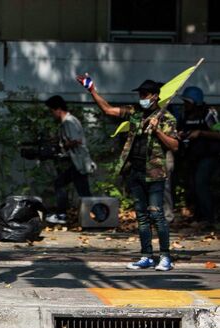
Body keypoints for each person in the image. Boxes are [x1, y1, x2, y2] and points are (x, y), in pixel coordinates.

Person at [77, 74, 179, 271]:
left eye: (145, 94)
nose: (142, 97)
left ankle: (165, 256)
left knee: (157, 215)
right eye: (140, 94)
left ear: (155, 96)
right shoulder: (135, 113)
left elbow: (174, 145)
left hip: (155, 174)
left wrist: (157, 131)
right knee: (141, 216)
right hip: (136, 172)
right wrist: (91, 90)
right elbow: (107, 109)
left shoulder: (166, 118)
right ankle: (146, 256)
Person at [44, 95, 96, 225]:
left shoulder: (69, 122)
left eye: (52, 111)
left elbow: (76, 140)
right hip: (76, 163)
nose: (52, 114)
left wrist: (61, 146)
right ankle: (99, 216)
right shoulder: (68, 121)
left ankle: (63, 215)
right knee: (68, 186)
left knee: (82, 192)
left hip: (78, 163)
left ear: (58, 109)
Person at [173, 86, 220, 226]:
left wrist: (200, 133)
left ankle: (209, 218)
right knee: (192, 186)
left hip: (208, 156)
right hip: (191, 156)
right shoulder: (184, 115)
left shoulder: (208, 114)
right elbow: (180, 130)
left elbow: (218, 133)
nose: (185, 105)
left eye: (188, 102)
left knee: (201, 184)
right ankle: (198, 216)